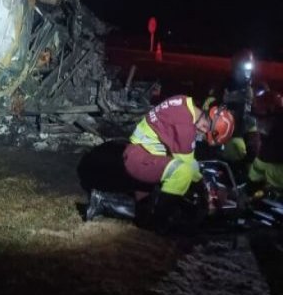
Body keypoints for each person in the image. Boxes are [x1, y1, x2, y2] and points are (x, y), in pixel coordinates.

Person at [86, 95, 235, 233]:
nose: (198, 135)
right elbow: (188, 166)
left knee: (143, 214)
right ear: (204, 127)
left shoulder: (184, 102)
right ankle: (159, 223)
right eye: (202, 134)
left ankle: (101, 201)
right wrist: (204, 192)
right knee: (183, 172)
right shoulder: (184, 125)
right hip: (140, 159)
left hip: (143, 156)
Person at [203, 48, 258, 167]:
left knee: (255, 147)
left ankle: (247, 170)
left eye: (249, 69)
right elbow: (209, 106)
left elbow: (253, 109)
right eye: (244, 69)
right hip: (228, 127)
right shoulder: (223, 86)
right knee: (237, 150)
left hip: (245, 123)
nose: (247, 73)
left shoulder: (251, 86)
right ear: (236, 68)